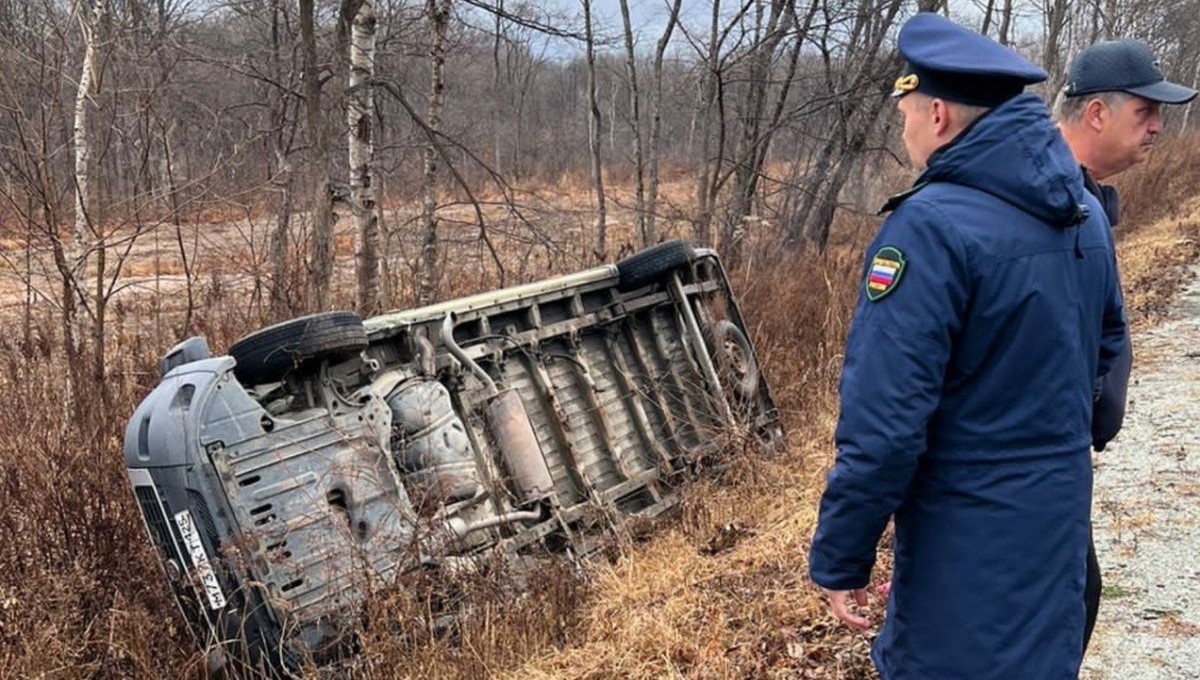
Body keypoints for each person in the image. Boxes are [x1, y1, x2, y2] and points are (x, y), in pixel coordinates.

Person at [808, 13, 1127, 680]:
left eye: (907, 114)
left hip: (964, 546)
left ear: (941, 116)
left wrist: (842, 558)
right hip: (1055, 532)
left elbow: (886, 425)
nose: (904, 130)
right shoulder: (1084, 212)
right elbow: (1107, 357)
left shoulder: (928, 228)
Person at [1055, 39, 1197, 653]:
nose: (1158, 127)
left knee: (1076, 598)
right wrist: (1079, 406)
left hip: (1060, 454)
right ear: (1096, 114)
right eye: (1146, 113)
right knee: (1066, 603)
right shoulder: (1050, 203)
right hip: (1037, 459)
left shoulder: (1079, 197)